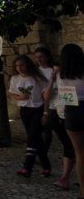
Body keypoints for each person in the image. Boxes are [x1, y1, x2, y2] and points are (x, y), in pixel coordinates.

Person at [35, 47, 75, 190]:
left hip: (68, 114)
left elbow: (69, 100)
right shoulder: (60, 76)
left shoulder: (65, 76)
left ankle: (66, 177)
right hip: (62, 113)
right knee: (69, 145)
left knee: (71, 146)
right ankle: (65, 177)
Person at [9, 55, 50, 177]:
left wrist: (46, 112)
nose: (19, 68)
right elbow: (12, 93)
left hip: (38, 109)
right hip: (25, 110)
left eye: (22, 65)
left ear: (27, 65)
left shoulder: (38, 78)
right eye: (17, 66)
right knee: (36, 138)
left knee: (32, 136)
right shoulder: (15, 79)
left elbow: (46, 96)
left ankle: (27, 167)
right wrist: (20, 97)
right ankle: (46, 165)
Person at [57, 43, 84, 199]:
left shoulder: (62, 75)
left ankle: (83, 191)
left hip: (73, 111)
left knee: (80, 153)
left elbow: (66, 99)